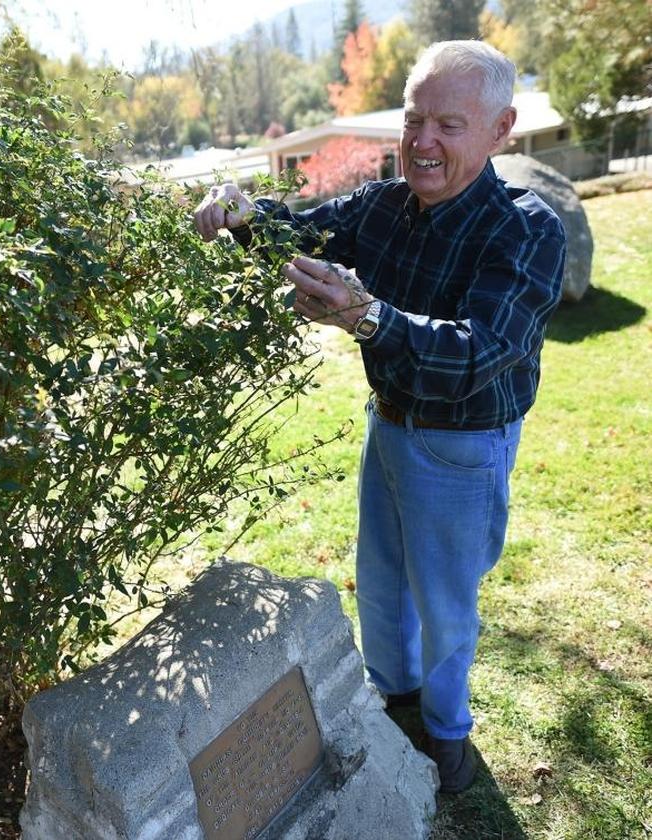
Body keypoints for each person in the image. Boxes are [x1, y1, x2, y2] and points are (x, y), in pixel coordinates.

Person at [193, 40, 566, 793]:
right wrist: (240, 215)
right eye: (414, 120)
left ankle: (448, 735)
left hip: (463, 443)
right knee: (385, 575)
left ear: (502, 129)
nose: (423, 143)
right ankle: (391, 695)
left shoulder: (526, 228)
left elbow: (478, 355)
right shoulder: (386, 204)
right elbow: (302, 229)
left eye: (449, 125)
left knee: (446, 599)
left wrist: (366, 318)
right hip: (389, 419)